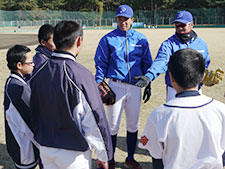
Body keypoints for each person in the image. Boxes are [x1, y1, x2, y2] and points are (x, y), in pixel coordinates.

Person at [29, 20, 113, 169]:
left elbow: (33, 112)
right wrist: (104, 155)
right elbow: (94, 118)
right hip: (73, 154)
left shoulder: (38, 71)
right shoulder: (81, 75)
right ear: (78, 41)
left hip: (46, 149)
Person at [138, 48, 225, 169]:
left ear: (171, 78)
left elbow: (157, 159)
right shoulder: (221, 110)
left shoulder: (159, 114)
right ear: (203, 76)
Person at [94, 4, 153, 169]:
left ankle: (130, 158)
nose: (123, 22)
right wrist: (99, 82)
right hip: (115, 86)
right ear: (116, 20)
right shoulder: (107, 39)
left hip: (135, 87)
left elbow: (147, 63)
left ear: (132, 19)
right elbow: (101, 63)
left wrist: (148, 83)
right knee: (112, 125)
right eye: (120, 18)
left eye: (126, 19)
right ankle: (111, 159)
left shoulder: (141, 39)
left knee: (133, 125)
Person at [148, 10, 210, 102]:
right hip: (174, 90)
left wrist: (206, 77)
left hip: (196, 89)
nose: (180, 28)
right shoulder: (168, 44)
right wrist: (149, 75)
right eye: (177, 25)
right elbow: (161, 61)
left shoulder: (201, 44)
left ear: (192, 24)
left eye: (183, 25)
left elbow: (205, 65)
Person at [3, 45, 40, 169]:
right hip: (24, 148)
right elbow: (31, 122)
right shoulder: (19, 89)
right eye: (30, 62)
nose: (33, 65)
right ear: (19, 65)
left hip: (19, 145)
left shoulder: (12, 82)